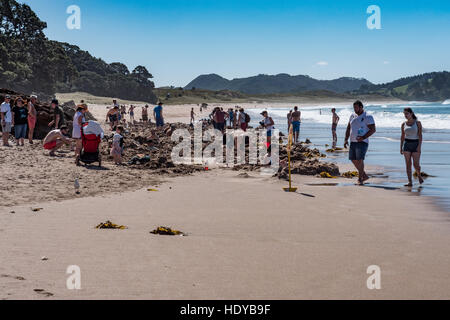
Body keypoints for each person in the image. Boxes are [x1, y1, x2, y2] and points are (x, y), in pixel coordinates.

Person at [344, 100, 376, 185]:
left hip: (362, 142)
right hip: (353, 141)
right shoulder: (352, 116)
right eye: (354, 107)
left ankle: (360, 179)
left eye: (356, 107)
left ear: (361, 107)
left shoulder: (367, 116)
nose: (355, 109)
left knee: (360, 159)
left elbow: (373, 129)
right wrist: (345, 139)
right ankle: (364, 175)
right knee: (353, 159)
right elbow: (348, 128)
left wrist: (363, 137)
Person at [401, 108, 424, 187]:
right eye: (404, 114)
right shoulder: (403, 124)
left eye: (407, 113)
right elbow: (402, 136)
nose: (405, 115)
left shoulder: (418, 123)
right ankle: (410, 182)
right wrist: (401, 147)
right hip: (406, 144)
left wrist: (419, 147)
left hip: (415, 144)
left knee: (416, 164)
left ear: (411, 113)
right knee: (408, 164)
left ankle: (419, 175)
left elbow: (420, 135)